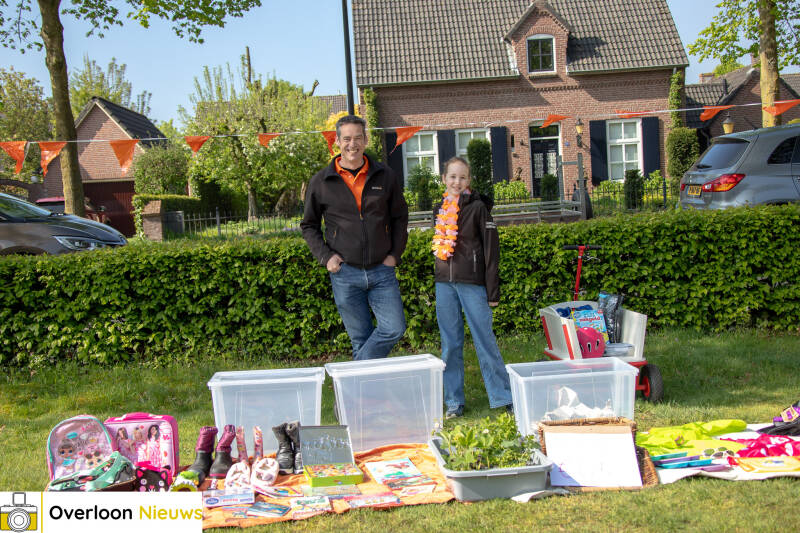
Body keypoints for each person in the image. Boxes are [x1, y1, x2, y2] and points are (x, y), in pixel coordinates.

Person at [301, 115, 408, 360]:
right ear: (337, 141)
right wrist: (326, 257)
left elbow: (400, 217)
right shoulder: (321, 181)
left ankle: (350, 381)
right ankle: (365, 396)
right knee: (360, 339)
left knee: (394, 328)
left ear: (366, 140)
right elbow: (308, 225)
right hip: (345, 273)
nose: (353, 144)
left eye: (358, 138)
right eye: (347, 139)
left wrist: (394, 255)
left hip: (382, 270)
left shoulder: (385, 175)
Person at [432, 156, 513, 418]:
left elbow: (492, 251)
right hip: (445, 284)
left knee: (484, 339)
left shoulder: (478, 208)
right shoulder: (439, 208)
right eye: (452, 177)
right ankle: (454, 401)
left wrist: (492, 292)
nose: (457, 181)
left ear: (469, 180)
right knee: (450, 344)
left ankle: (502, 395)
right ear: (444, 179)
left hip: (472, 285)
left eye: (462, 177)